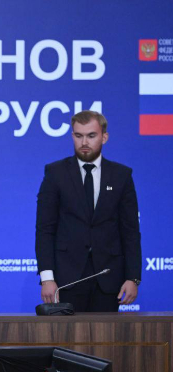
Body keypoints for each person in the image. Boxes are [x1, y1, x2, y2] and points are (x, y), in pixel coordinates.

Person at [36, 110, 142, 312]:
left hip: (109, 278)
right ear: (72, 136)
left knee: (105, 333)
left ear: (104, 137)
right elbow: (45, 230)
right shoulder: (55, 173)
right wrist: (47, 278)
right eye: (78, 135)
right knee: (67, 333)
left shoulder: (121, 175)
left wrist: (133, 277)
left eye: (91, 135)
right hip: (66, 279)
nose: (84, 142)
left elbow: (130, 231)